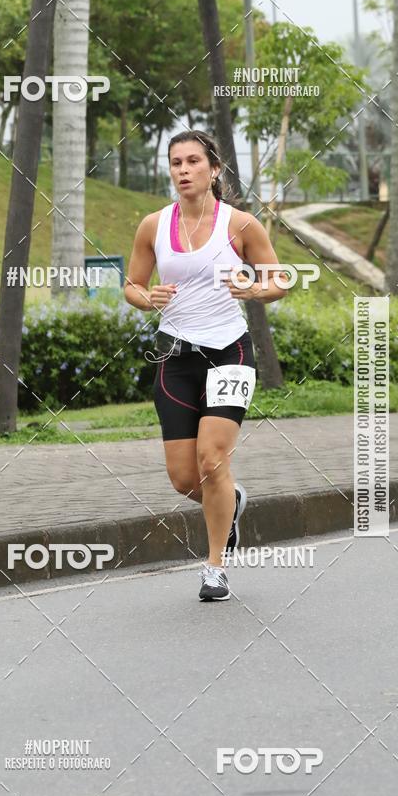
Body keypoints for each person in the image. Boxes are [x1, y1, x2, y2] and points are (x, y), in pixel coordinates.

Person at [124, 130, 288, 601]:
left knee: (212, 459)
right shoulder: (153, 225)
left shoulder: (239, 225)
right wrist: (146, 297)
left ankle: (215, 567)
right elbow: (132, 286)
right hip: (175, 357)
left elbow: (279, 278)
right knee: (183, 477)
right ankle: (230, 500)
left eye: (193, 161)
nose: (182, 170)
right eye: (175, 162)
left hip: (229, 353)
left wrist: (255, 290)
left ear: (214, 169)